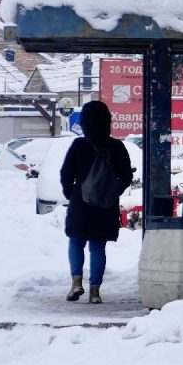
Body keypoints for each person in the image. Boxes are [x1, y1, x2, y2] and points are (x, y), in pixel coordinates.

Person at [60, 101, 133, 304]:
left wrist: (72, 192)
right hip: (106, 205)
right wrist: (113, 191)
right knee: (98, 247)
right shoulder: (116, 147)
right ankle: (95, 291)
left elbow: (66, 174)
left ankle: (76, 282)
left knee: (76, 241)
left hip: (80, 204)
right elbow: (126, 176)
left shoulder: (79, 146)